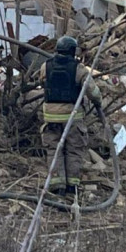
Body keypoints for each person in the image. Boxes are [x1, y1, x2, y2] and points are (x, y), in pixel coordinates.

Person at [37, 36, 102, 195]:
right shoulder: (79, 69)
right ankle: (72, 186)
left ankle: (57, 186)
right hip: (72, 116)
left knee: (54, 150)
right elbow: (93, 91)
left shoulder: (46, 66)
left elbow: (42, 83)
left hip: (50, 116)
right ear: (73, 51)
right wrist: (98, 102)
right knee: (74, 149)